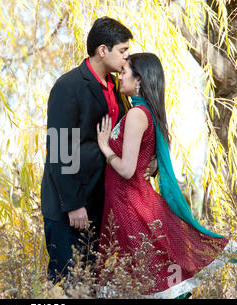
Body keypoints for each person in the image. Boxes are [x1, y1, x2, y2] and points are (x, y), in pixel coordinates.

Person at [96, 52, 237, 298]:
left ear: (140, 80)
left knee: (138, 279)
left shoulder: (137, 115)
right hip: (123, 202)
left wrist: (105, 147)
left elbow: (126, 170)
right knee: (136, 277)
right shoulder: (141, 111)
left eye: (124, 71)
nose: (120, 76)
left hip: (128, 204)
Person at [41, 17, 156, 284]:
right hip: (70, 208)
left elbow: (129, 135)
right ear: (103, 51)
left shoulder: (117, 90)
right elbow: (60, 148)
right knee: (71, 285)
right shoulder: (69, 87)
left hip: (102, 205)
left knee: (93, 285)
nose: (127, 58)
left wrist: (150, 161)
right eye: (123, 51)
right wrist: (73, 204)